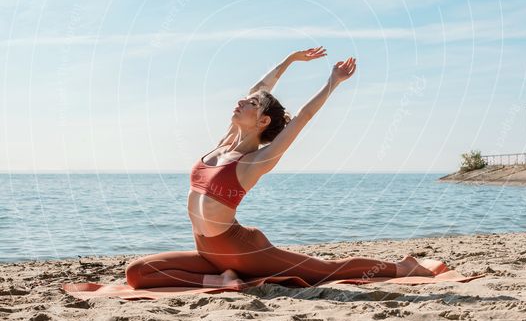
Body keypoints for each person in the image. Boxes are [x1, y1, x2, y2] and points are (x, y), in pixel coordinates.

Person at [125, 48, 439, 291]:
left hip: (241, 250)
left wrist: (332, 82)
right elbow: (258, 87)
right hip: (207, 251)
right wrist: (290, 60)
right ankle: (222, 282)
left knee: (326, 270)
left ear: (262, 122)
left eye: (251, 105)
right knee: (136, 273)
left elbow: (303, 116)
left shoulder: (256, 160)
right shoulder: (223, 142)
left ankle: (403, 267)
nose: (241, 102)